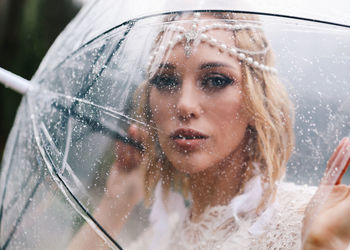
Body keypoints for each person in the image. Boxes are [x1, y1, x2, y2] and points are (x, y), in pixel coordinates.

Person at [69, 11, 350, 250]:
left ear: (255, 101)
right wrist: (115, 205)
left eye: (215, 80)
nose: (184, 105)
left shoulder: (308, 221)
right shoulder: (161, 239)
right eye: (166, 80)